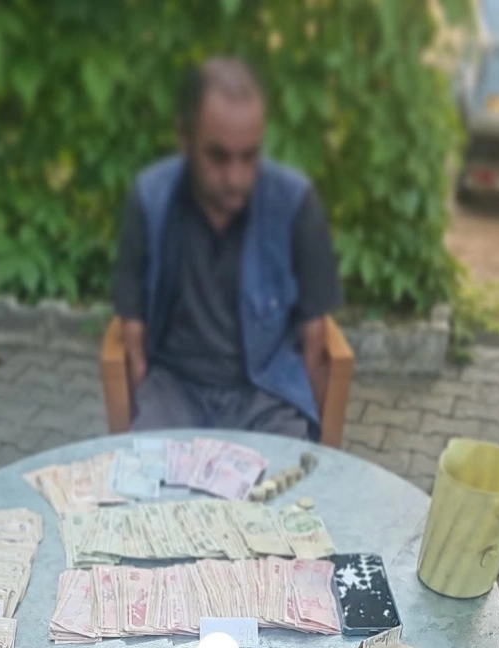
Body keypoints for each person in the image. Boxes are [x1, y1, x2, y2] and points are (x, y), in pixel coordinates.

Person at [113, 57, 342, 441]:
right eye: (218, 157)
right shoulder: (150, 200)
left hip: (265, 392)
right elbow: (132, 333)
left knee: (286, 477)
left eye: (249, 156)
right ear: (185, 137)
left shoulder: (295, 203)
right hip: (175, 389)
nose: (236, 178)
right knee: (147, 472)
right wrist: (142, 412)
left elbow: (315, 337)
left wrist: (313, 443)